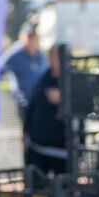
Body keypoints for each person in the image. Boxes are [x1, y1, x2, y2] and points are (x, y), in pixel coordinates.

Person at [23, 44, 68, 176]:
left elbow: (87, 106)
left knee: (63, 185)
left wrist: (63, 100)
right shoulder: (43, 79)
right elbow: (31, 107)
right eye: (53, 56)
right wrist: (25, 132)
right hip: (38, 147)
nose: (55, 60)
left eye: (58, 56)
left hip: (62, 150)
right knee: (36, 184)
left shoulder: (75, 80)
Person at [0, 24, 48, 116]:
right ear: (23, 37)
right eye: (29, 37)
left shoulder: (41, 56)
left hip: (40, 101)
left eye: (34, 37)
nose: (32, 41)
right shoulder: (15, 54)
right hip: (23, 102)